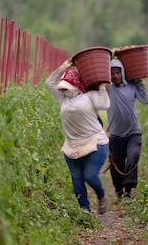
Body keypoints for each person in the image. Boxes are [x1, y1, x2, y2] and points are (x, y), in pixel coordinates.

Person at [46, 58, 110, 214]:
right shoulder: (63, 99)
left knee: (89, 175)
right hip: (72, 144)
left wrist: (102, 88)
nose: (64, 90)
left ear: (76, 85)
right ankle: (85, 213)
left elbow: (104, 105)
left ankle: (101, 196)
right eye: (63, 88)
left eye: (67, 87)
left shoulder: (90, 96)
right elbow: (49, 83)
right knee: (76, 179)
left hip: (95, 141)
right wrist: (64, 67)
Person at [107, 58, 148, 199]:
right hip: (115, 134)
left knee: (133, 156)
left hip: (133, 132)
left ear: (123, 73)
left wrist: (139, 82)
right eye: (112, 73)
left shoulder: (132, 86)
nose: (115, 76)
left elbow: (145, 100)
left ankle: (129, 189)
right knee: (116, 165)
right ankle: (119, 190)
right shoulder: (107, 89)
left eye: (118, 72)